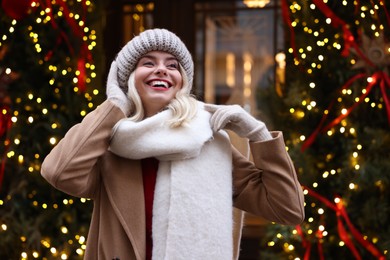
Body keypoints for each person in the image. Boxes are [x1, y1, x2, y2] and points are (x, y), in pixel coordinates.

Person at [41, 28, 305, 260]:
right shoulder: (106, 144)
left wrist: (258, 134)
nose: (161, 69)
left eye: (173, 65)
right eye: (148, 62)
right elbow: (60, 172)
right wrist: (115, 105)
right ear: (128, 78)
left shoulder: (209, 141)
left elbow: (287, 208)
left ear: (182, 83)